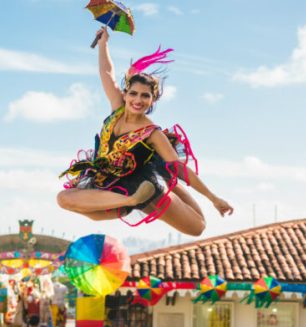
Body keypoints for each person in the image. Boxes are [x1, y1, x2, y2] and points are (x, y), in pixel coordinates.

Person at [57, 27, 233, 236]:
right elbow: (106, 73)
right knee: (65, 199)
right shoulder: (117, 109)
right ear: (125, 94)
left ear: (153, 100)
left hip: (143, 185)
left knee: (198, 228)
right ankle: (132, 201)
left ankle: (157, 189)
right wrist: (103, 43)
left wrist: (213, 198)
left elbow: (180, 168)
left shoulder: (152, 133)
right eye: (133, 94)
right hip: (112, 186)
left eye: (145, 96)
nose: (138, 100)